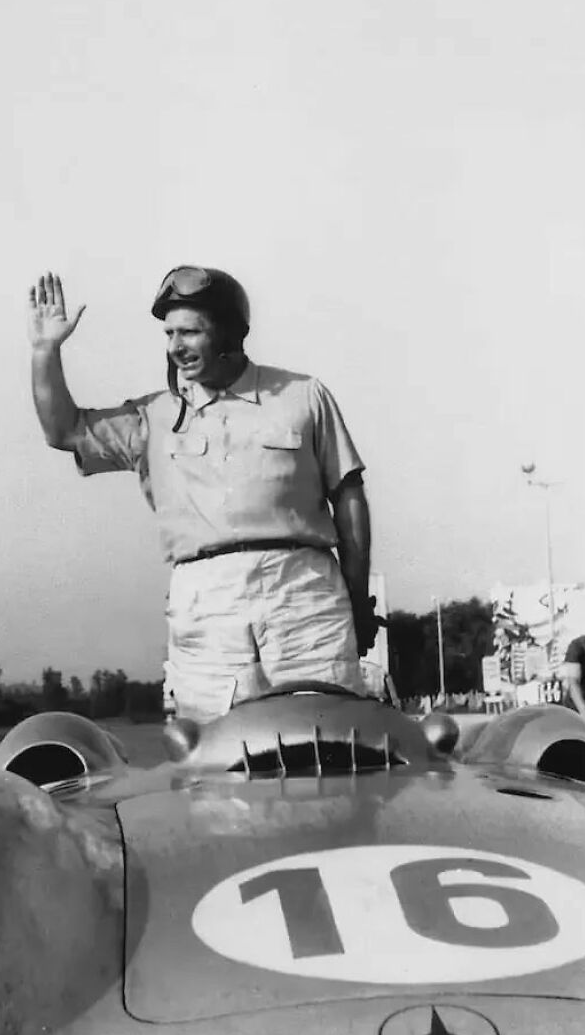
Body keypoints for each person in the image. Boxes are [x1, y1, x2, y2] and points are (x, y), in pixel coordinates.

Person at [28, 266, 382, 723]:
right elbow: (64, 430)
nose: (176, 347)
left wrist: (355, 600)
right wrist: (45, 352)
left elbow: (349, 496)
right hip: (205, 607)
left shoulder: (303, 396)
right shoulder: (153, 417)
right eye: (169, 334)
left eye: (190, 332)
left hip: (304, 597)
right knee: (215, 762)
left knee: (331, 738)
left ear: (231, 334)